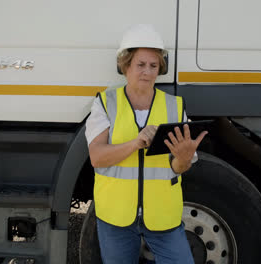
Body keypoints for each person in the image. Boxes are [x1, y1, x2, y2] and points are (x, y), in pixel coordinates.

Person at [85, 24, 208, 264]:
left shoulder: (174, 107)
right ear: (126, 65)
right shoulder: (106, 103)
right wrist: (135, 143)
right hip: (116, 217)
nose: (147, 72)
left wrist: (183, 158)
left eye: (153, 66)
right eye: (140, 65)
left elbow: (179, 168)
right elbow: (97, 157)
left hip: (163, 216)